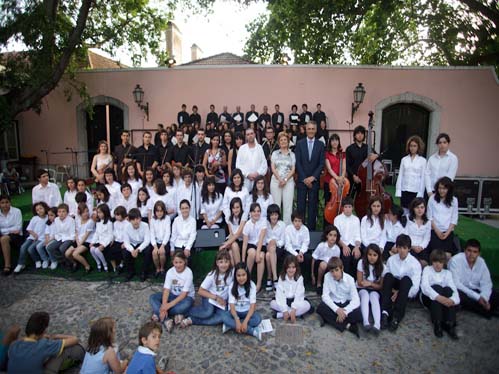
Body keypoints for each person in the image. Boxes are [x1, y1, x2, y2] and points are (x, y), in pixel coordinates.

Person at [7, 311, 84, 374]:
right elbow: (75, 339)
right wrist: (56, 336)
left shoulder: (14, 344)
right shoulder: (44, 345)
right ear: (44, 330)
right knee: (63, 350)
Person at [182, 250, 234, 327]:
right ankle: (184, 312)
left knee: (222, 318)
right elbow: (200, 291)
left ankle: (192, 320)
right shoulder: (212, 275)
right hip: (210, 297)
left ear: (230, 262)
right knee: (208, 312)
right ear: (217, 263)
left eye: (226, 262)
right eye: (221, 262)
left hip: (222, 302)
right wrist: (216, 298)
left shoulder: (232, 273)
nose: (224, 265)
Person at [449, 239, 499, 319]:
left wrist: (484, 297)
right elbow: (457, 284)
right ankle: (485, 310)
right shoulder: (455, 260)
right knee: (457, 295)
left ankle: (483, 307)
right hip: (462, 290)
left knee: (495, 294)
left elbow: (487, 283)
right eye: (469, 250)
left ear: (479, 253)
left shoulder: (481, 262)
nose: (471, 254)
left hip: (476, 290)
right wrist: (478, 298)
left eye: (475, 252)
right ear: (464, 250)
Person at [381, 234, 421, 332]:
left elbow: (415, 288)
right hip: (393, 286)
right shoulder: (391, 260)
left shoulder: (415, 264)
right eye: (399, 247)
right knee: (388, 275)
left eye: (404, 248)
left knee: (406, 279)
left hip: (405, 289)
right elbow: (387, 278)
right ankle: (385, 312)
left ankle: (396, 316)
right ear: (397, 248)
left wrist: (399, 292)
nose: (402, 250)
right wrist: (393, 290)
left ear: (409, 249)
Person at [150, 251, 195, 333]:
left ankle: (158, 313)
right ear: (173, 262)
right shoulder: (170, 272)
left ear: (185, 261)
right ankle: (167, 319)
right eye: (176, 262)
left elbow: (184, 294)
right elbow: (166, 290)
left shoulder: (189, 273)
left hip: (186, 298)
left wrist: (168, 306)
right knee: (152, 297)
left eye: (180, 262)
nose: (178, 265)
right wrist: (164, 306)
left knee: (185, 305)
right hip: (172, 295)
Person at [316, 257, 361, 337]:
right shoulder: (327, 276)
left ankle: (329, 319)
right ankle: (348, 326)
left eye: (337, 270)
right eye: (332, 271)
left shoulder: (350, 279)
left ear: (342, 268)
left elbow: (356, 300)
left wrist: (345, 312)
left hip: (345, 304)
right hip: (334, 303)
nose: (334, 274)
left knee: (358, 314)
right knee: (320, 308)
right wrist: (337, 310)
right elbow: (325, 296)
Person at [421, 249, 460, 339]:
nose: (438, 264)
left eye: (440, 262)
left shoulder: (447, 273)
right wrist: (438, 297)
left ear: (444, 263)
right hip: (429, 298)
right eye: (435, 261)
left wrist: (452, 300)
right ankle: (437, 322)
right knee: (437, 287)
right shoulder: (427, 269)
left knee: (448, 289)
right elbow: (425, 287)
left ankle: (450, 323)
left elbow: (454, 290)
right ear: (432, 262)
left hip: (444, 299)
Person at [295, 121, 325, 230]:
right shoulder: (299, 143)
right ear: (306, 130)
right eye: (309, 129)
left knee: (313, 207)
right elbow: (297, 162)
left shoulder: (321, 145)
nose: (311, 131)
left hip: (314, 181)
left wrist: (313, 178)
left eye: (313, 129)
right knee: (301, 207)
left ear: (316, 130)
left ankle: (311, 231)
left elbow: (321, 163)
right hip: (302, 181)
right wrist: (304, 179)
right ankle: (299, 230)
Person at [221, 262, 262, 340]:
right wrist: (237, 320)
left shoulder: (252, 285)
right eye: (238, 275)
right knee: (224, 317)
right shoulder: (232, 286)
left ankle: (231, 325)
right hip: (235, 312)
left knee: (258, 319)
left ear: (247, 275)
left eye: (243, 275)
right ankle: (252, 331)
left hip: (247, 311)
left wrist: (245, 322)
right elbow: (232, 306)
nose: (241, 278)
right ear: (235, 276)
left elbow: (252, 307)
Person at [271, 255, 311, 321]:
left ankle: (281, 315)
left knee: (307, 306)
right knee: (272, 303)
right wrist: (284, 310)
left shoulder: (299, 278)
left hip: (295, 300)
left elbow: (299, 294)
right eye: (289, 267)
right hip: (285, 300)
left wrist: (294, 309)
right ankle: (292, 313)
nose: (291, 270)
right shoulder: (281, 277)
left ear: (296, 268)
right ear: (285, 268)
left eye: (293, 267)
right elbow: (280, 294)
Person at [357, 244, 385, 334]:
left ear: (378, 256)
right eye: (369, 255)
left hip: (374, 290)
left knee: (373, 297)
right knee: (365, 295)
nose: (372, 257)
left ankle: (377, 324)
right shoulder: (361, 263)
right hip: (362, 288)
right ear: (366, 255)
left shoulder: (382, 267)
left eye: (374, 255)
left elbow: (381, 286)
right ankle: (366, 322)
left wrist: (370, 284)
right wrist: (371, 285)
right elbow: (359, 282)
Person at [427, 176, 458, 257]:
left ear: (449, 189)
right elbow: (429, 217)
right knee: (435, 254)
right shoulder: (432, 198)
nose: (441, 190)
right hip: (434, 231)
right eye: (440, 188)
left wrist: (447, 233)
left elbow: (454, 219)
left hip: (448, 232)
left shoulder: (454, 200)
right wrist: (437, 231)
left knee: (447, 255)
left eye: (444, 188)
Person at [13, 202, 48, 273]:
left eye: (41, 208)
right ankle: (20, 264)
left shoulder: (48, 217)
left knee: (30, 249)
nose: (39, 211)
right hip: (32, 237)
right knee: (23, 247)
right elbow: (29, 228)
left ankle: (37, 260)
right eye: (37, 210)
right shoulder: (35, 218)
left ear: (45, 208)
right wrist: (34, 234)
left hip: (41, 238)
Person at [395, 135, 426, 214]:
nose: (412, 148)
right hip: (405, 189)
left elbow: (423, 178)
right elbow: (401, 175)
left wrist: (420, 193)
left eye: (415, 146)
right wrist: (398, 190)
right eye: (411, 146)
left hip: (415, 190)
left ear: (418, 147)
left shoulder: (423, 161)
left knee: (414, 212)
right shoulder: (404, 159)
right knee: (404, 211)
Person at [345, 125, 377, 200]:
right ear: (355, 135)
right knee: (349, 200)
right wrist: (353, 176)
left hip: (365, 179)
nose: (360, 135)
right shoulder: (349, 149)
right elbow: (347, 165)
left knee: (364, 199)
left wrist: (376, 155)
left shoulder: (368, 148)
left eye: (362, 133)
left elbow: (378, 157)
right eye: (358, 133)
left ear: (364, 136)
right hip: (352, 178)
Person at [270, 132, 295, 225]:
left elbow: (293, 170)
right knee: (276, 206)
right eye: (281, 140)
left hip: (288, 182)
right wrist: (280, 179)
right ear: (278, 142)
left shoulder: (292, 155)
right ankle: (276, 227)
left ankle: (287, 228)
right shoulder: (275, 154)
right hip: (276, 181)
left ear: (288, 141)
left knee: (288, 206)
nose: (283, 141)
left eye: (285, 140)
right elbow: (273, 168)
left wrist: (285, 180)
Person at [242, 202, 267, 292]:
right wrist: (243, 260)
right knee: (252, 253)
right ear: (250, 213)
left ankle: (258, 284)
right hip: (251, 245)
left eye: (258, 211)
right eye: (254, 211)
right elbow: (245, 244)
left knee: (260, 256)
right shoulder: (247, 224)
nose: (256, 213)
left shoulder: (263, 221)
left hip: (261, 245)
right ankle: (247, 279)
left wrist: (258, 253)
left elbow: (261, 239)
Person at [334, 197, 361, 278]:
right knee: (346, 257)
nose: (348, 209)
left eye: (349, 207)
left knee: (356, 257)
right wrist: (344, 246)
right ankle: (345, 279)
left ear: (352, 208)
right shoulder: (338, 219)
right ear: (343, 208)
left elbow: (358, 235)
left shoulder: (356, 219)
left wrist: (357, 247)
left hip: (353, 245)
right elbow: (337, 236)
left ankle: (355, 280)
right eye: (346, 207)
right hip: (342, 244)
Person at [123, 208, 152, 281]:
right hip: (132, 244)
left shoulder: (145, 225)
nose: (136, 221)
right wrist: (132, 250)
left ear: (140, 218)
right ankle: (130, 271)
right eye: (133, 219)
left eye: (137, 219)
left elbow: (147, 240)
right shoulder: (126, 227)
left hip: (141, 244)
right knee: (125, 252)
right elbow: (126, 242)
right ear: (129, 220)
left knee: (148, 250)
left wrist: (139, 249)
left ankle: (144, 272)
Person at [311, 225, 341, 295]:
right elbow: (313, 259)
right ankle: (319, 284)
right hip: (319, 267)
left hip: (330, 268)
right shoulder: (321, 246)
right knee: (323, 265)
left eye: (335, 236)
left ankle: (330, 285)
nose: (332, 238)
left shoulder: (337, 249)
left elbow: (337, 263)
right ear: (327, 236)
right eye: (330, 235)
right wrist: (312, 275)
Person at [66, 203, 95, 272]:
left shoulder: (90, 222)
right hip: (78, 240)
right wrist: (77, 241)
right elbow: (76, 232)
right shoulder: (78, 220)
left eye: (87, 211)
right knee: (67, 254)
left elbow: (86, 235)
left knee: (75, 254)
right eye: (84, 212)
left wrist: (79, 245)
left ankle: (87, 266)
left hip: (87, 241)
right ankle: (75, 263)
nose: (86, 214)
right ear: (80, 213)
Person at [45, 203, 75, 270]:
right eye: (59, 212)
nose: (61, 214)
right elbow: (57, 232)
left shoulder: (71, 220)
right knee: (49, 247)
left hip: (68, 238)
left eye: (63, 211)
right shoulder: (56, 220)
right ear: (57, 213)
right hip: (60, 238)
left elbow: (72, 234)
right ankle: (62, 261)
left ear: (67, 212)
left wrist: (66, 240)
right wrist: (53, 239)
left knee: (62, 248)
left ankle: (70, 263)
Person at [404, 197, 431, 266]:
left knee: (424, 263)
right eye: (417, 207)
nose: (420, 210)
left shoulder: (428, 222)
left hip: (422, 248)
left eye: (422, 207)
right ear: (413, 208)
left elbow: (427, 238)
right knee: (414, 262)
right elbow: (405, 235)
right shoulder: (407, 219)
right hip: (409, 247)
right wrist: (412, 246)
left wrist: (421, 247)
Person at [220, 197, 247, 266]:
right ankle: (233, 272)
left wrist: (226, 244)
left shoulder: (244, 216)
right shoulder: (229, 217)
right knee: (231, 251)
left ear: (241, 207)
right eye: (233, 208)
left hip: (242, 240)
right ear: (231, 209)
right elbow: (231, 233)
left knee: (234, 247)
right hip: (232, 239)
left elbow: (238, 233)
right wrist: (228, 243)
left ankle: (239, 268)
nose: (235, 210)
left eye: (237, 207)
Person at [264, 204, 286, 291]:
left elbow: (283, 241)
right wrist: (270, 241)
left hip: (279, 248)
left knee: (268, 255)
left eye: (276, 215)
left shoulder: (282, 224)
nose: (274, 217)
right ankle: (275, 279)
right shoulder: (265, 224)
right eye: (272, 214)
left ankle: (270, 278)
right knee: (270, 249)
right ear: (269, 215)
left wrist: (275, 242)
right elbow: (264, 238)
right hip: (267, 246)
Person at [323, 133, 347, 209]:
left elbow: (344, 168)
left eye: (336, 140)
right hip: (329, 182)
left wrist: (342, 177)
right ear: (330, 142)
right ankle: (327, 220)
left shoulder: (342, 154)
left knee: (340, 201)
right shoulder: (327, 154)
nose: (334, 142)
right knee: (329, 202)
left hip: (340, 181)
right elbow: (329, 169)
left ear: (339, 142)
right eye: (332, 140)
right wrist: (337, 178)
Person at [0, 194, 22, 275]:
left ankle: (7, 265)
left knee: (4, 239)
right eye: (2, 203)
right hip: (4, 234)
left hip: (16, 236)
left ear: (10, 203)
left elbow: (18, 228)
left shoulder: (17, 211)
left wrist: (4, 231)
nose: (5, 205)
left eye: (7, 202)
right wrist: (8, 231)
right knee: (3, 238)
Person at [150, 201, 171, 278]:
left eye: (161, 211)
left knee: (162, 252)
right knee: (154, 253)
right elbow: (151, 234)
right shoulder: (152, 220)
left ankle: (162, 269)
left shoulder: (167, 218)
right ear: (155, 212)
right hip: (155, 242)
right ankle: (157, 269)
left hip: (164, 242)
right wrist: (155, 246)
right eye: (157, 211)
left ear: (164, 211)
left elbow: (167, 233)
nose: (159, 213)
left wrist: (162, 246)